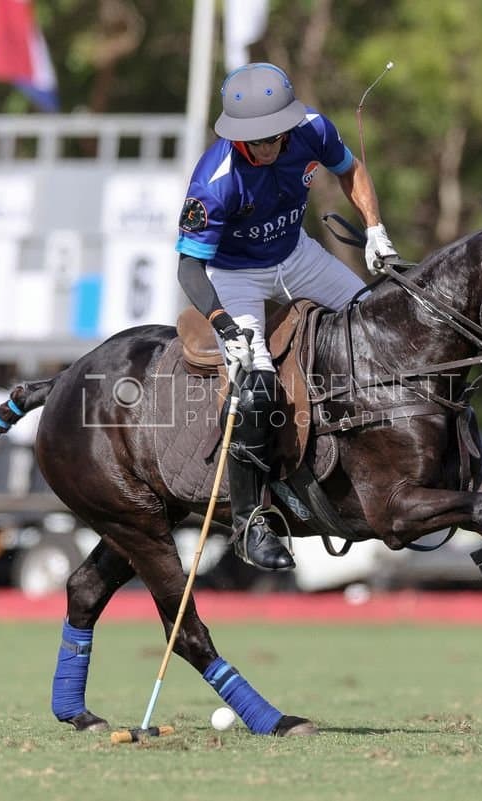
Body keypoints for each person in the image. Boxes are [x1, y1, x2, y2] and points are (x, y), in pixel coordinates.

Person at [175, 62, 398, 571]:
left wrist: (376, 229)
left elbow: (351, 170)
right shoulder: (215, 182)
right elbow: (189, 265)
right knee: (254, 387)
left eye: (278, 134)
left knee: (375, 327)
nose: (272, 145)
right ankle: (252, 521)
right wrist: (223, 323)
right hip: (235, 276)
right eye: (260, 138)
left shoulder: (311, 128)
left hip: (297, 254)